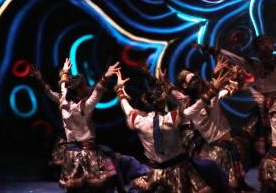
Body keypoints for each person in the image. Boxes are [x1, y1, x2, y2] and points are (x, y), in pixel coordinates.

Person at [113, 68, 212, 193]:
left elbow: (126, 106)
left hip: (156, 172)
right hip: (178, 170)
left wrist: (120, 90)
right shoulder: (170, 119)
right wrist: (211, 91)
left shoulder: (139, 121)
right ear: (162, 103)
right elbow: (193, 108)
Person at [33, 58, 121, 191]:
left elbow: (61, 88)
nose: (86, 88)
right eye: (84, 86)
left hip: (71, 153)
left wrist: (63, 73)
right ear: (79, 91)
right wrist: (106, 76)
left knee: (73, 186)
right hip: (88, 154)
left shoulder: (64, 101)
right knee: (96, 184)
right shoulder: (84, 107)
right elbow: (97, 91)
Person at [179, 61, 250, 191]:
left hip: (228, 146)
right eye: (191, 80)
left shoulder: (213, 97)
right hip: (216, 152)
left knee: (235, 185)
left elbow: (230, 89)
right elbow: (196, 106)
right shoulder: (190, 109)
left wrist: (234, 78)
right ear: (185, 86)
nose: (196, 81)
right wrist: (214, 84)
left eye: (196, 78)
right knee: (224, 186)